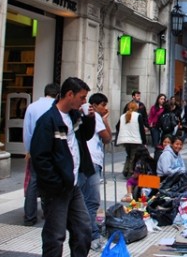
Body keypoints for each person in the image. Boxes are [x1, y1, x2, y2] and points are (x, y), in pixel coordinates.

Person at [30, 77, 96, 257]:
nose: (84, 101)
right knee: (55, 235)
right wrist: (55, 182)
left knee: (83, 229)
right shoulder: (47, 121)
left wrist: (89, 118)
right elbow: (40, 157)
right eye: (82, 97)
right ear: (69, 94)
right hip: (57, 188)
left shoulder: (74, 116)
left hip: (72, 186)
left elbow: (85, 136)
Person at [23, 83, 60, 226]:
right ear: (58, 94)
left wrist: (29, 150)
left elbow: (27, 131)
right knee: (50, 181)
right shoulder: (57, 107)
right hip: (53, 150)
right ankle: (48, 212)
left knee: (33, 182)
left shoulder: (32, 107)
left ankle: (29, 216)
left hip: (36, 149)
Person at [80, 92, 112, 251]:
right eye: (103, 105)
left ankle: (87, 233)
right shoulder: (95, 116)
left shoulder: (86, 113)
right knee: (92, 201)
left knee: (85, 200)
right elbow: (107, 138)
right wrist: (105, 120)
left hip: (86, 160)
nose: (105, 108)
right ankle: (92, 236)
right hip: (92, 160)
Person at [116, 101, 147, 178]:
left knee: (129, 155)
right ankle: (130, 172)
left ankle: (126, 170)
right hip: (135, 139)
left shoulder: (123, 116)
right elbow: (141, 129)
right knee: (133, 156)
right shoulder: (138, 116)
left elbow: (117, 126)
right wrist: (144, 141)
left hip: (125, 139)